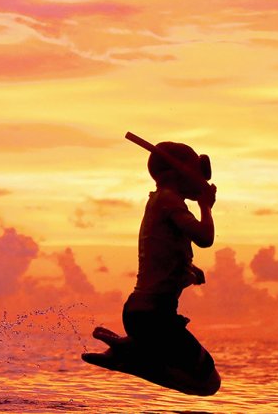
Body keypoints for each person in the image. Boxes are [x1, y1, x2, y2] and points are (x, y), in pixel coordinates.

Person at [83, 140, 220, 394]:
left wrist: (189, 271)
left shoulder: (160, 202)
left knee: (202, 376)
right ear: (177, 174)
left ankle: (129, 349)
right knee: (208, 383)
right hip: (155, 318)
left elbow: (161, 254)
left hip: (143, 315)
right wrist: (205, 207)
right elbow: (205, 238)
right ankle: (132, 358)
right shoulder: (170, 201)